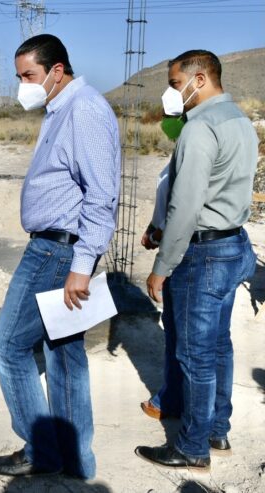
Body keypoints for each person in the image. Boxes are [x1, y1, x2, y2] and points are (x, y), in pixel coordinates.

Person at [0, 34, 120, 480]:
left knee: (7, 345)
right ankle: (74, 460)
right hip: (57, 247)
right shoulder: (63, 109)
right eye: (19, 76)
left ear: (56, 72)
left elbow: (101, 196)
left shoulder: (84, 111)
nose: (22, 85)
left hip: (57, 251)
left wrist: (81, 267)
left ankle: (41, 451)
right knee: (63, 354)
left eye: (29, 76)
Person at [136, 50, 258, 470]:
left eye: (174, 84)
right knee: (218, 346)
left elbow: (185, 206)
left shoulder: (200, 127)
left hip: (203, 254)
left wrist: (161, 267)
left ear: (200, 79)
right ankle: (216, 428)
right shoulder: (241, 122)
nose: (172, 94)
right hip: (234, 247)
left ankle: (191, 446)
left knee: (194, 355)